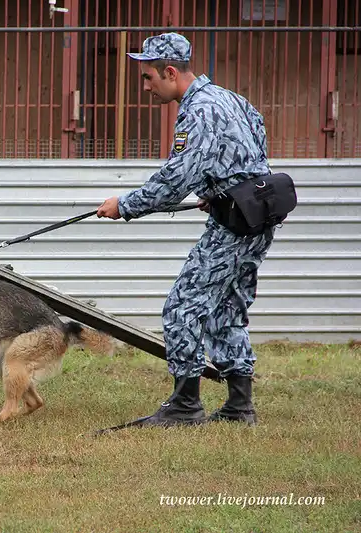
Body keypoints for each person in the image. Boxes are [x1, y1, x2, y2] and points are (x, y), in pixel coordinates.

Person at [95, 33, 273, 427]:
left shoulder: (198, 111)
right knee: (226, 309)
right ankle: (239, 406)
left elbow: (177, 177)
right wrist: (221, 190)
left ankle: (185, 406)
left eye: (149, 77)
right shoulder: (229, 98)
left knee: (182, 307)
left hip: (235, 225)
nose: (146, 87)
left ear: (171, 72)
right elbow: (255, 144)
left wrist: (125, 205)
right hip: (255, 217)